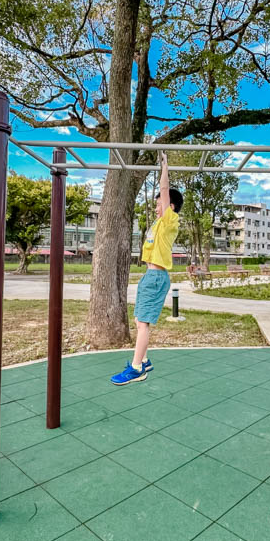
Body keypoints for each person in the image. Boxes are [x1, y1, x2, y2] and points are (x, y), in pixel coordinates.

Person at [111, 153, 183, 385]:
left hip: (156, 276)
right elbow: (159, 195)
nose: (155, 208)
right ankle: (144, 359)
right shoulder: (157, 223)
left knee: (143, 324)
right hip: (150, 275)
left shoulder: (170, 221)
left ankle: (136, 368)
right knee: (139, 321)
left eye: (158, 204)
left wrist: (164, 166)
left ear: (170, 206)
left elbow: (164, 189)